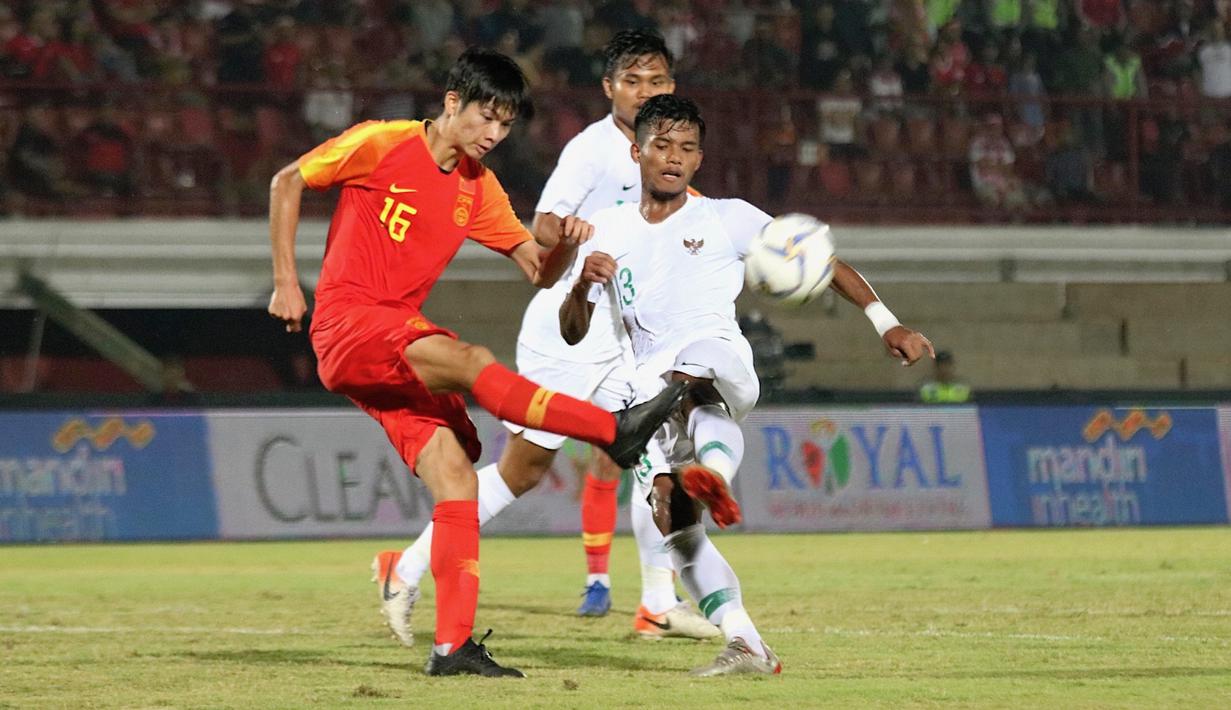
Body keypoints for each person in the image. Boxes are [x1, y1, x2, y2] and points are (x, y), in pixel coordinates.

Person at [266, 47, 685, 678]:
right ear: (452, 102)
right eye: (486, 118)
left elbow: (534, 271)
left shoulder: (478, 188)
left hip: (389, 350)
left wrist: (566, 252)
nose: (493, 135)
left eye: (506, 126)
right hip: (350, 322)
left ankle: (451, 647)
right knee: (471, 358)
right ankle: (613, 430)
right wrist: (286, 282)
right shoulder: (382, 143)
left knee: (458, 480)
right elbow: (287, 181)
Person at [560, 95, 935, 676]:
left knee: (696, 375)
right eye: (662, 145)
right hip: (645, 390)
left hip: (720, 363)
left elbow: (825, 263)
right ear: (637, 151)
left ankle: (715, 477)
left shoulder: (727, 217)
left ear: (700, 159)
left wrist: (886, 322)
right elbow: (571, 331)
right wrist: (582, 283)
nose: (673, 158)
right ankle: (746, 642)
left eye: (686, 149)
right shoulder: (604, 231)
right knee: (672, 524)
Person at [372, 29, 717, 647]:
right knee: (522, 472)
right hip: (568, 331)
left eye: (657, 81)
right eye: (633, 82)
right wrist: (570, 232)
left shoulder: (669, 151)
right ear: (609, 89)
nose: (646, 93)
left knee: (658, 450)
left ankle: (658, 603)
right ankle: (407, 565)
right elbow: (544, 221)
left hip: (621, 332)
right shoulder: (594, 150)